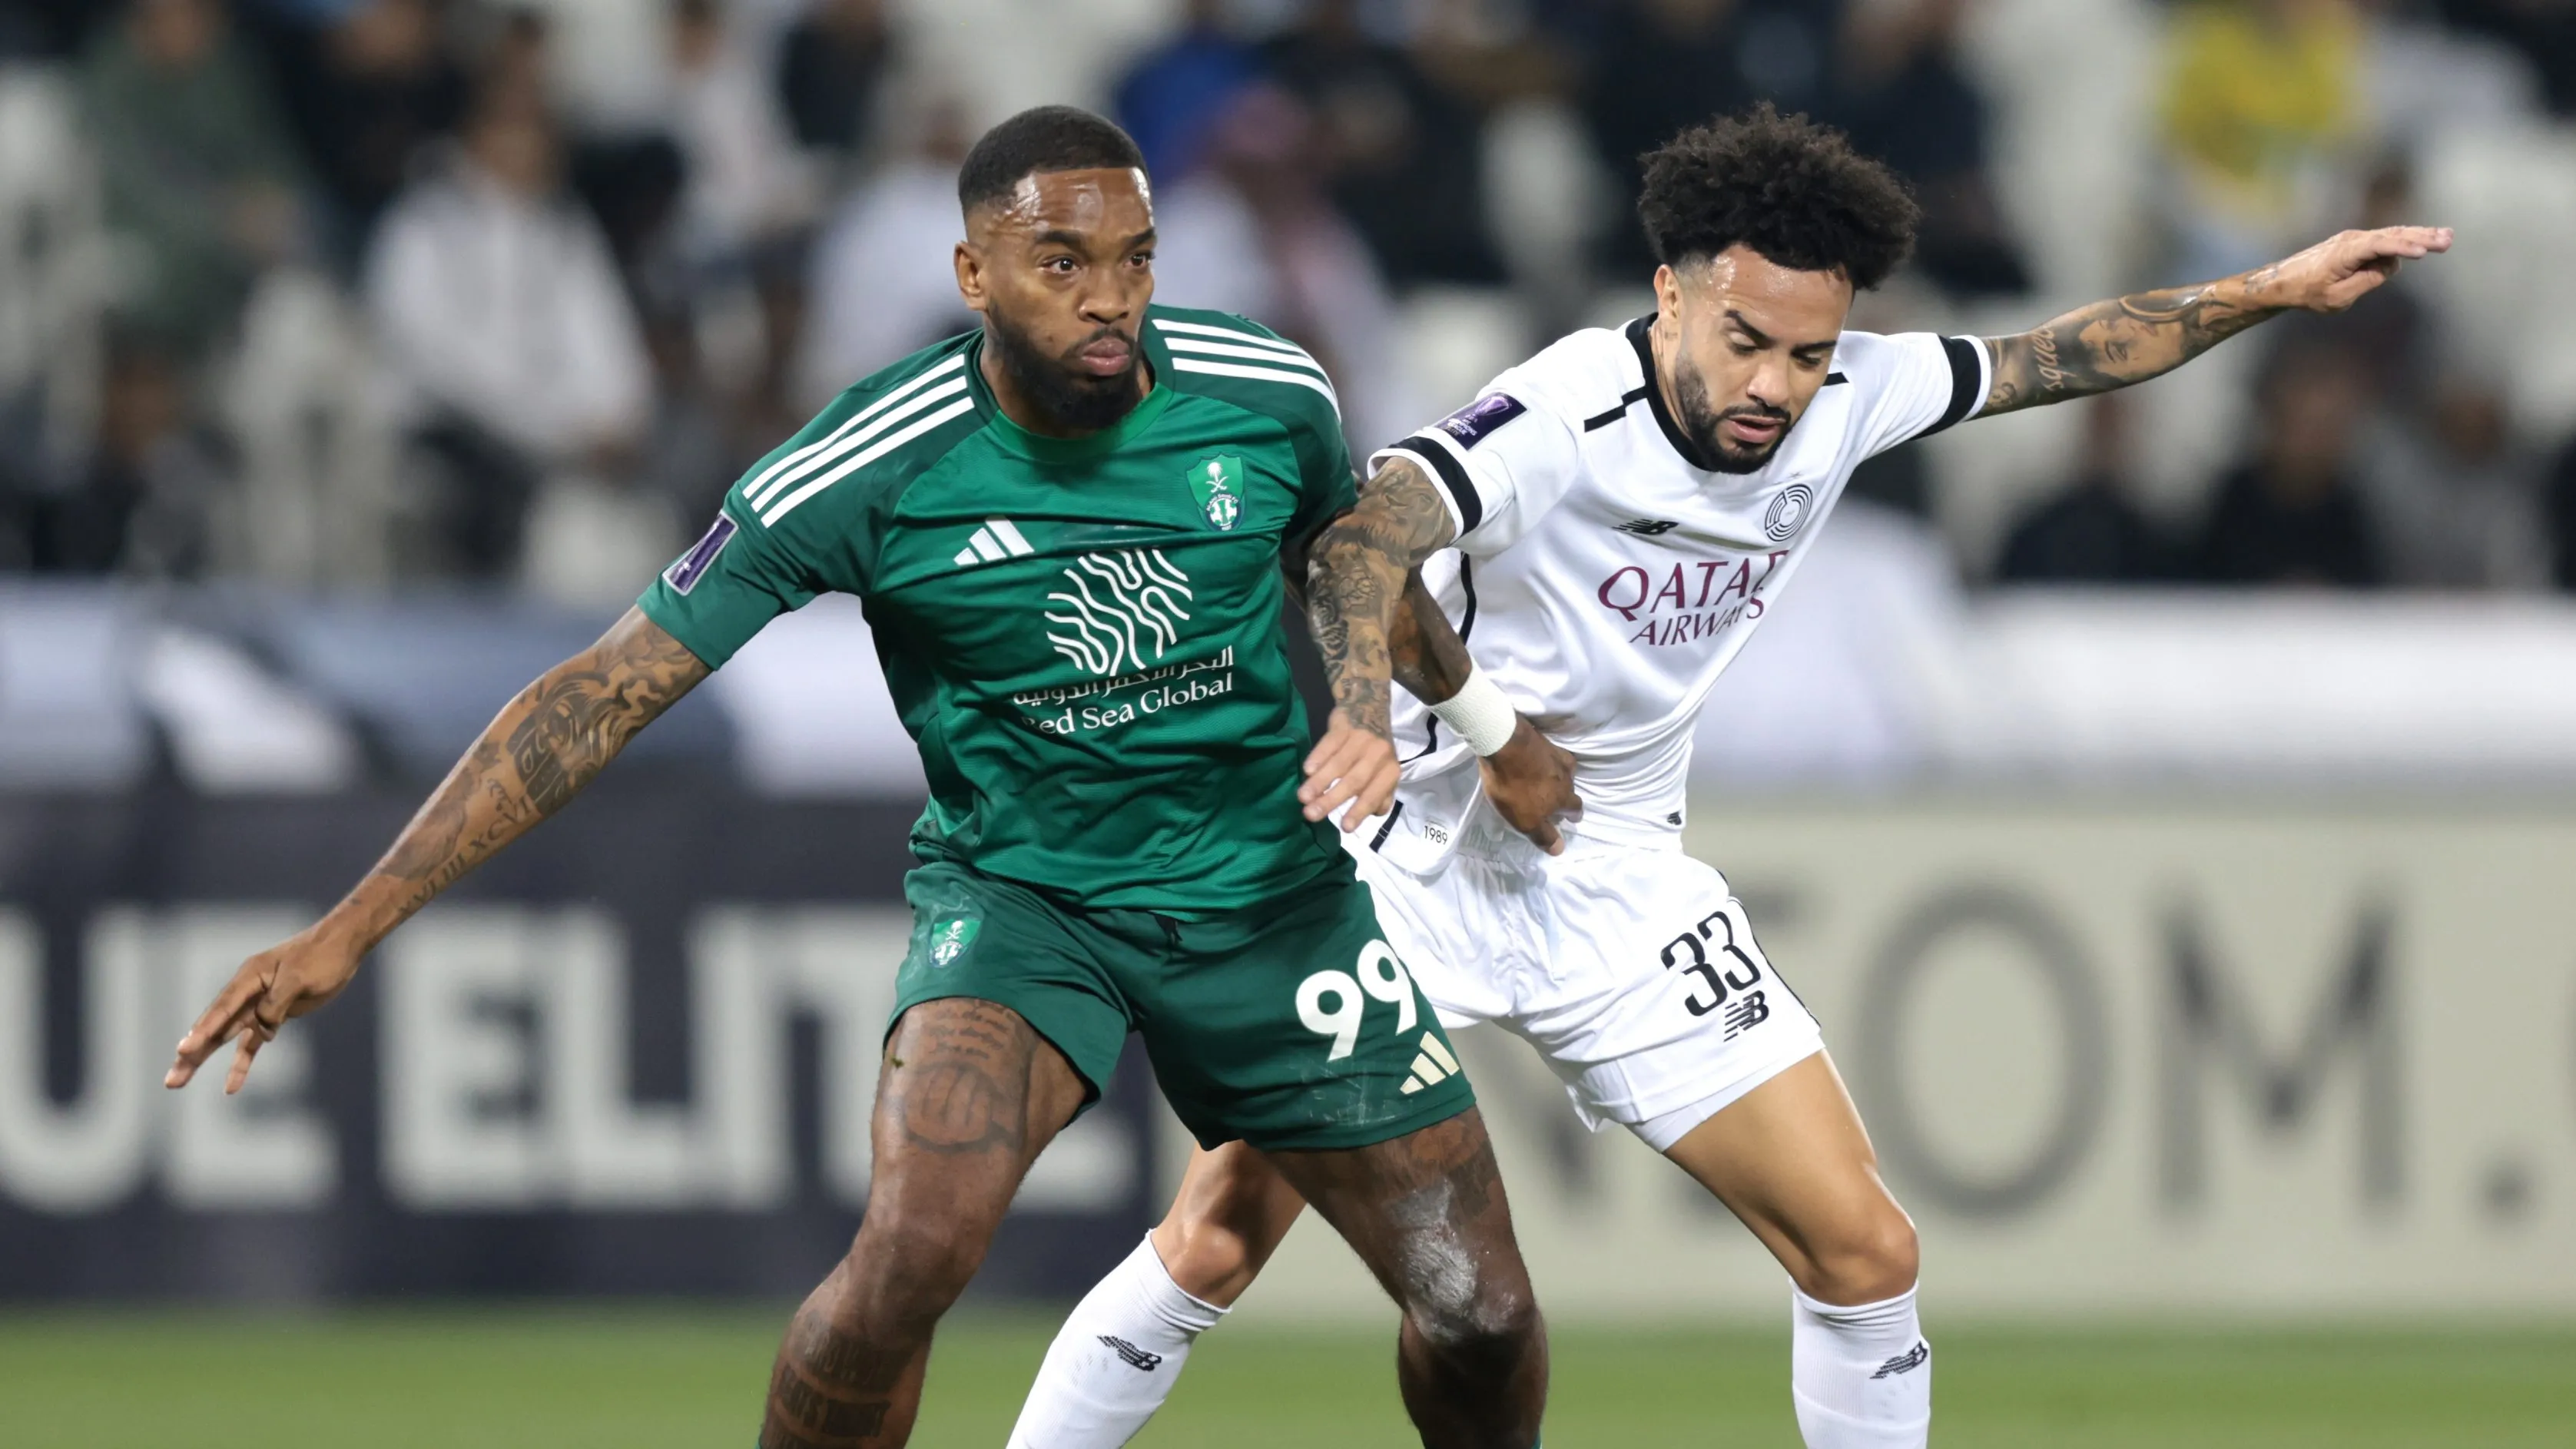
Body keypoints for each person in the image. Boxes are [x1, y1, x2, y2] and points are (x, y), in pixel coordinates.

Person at [1008, 104, 2449, 1449]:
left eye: (1810, 354)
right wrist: (1423, 717)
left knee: (1869, 1253)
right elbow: (1360, 538)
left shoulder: (1851, 395)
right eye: (1749, 339)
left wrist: (2276, 286)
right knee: (1215, 1232)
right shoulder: (1566, 407)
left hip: (1616, 867)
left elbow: (2060, 354)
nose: (1776, 386)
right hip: (1415, 855)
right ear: (1675, 291)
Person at [165, 106, 1548, 1449]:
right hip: (1027, 908)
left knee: (1480, 1315)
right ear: (972, 275)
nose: (1109, 298)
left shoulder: (1268, 390)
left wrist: (1493, 729)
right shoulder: (871, 463)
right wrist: (350, 924)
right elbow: (599, 695)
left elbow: (1351, 575)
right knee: (911, 1253)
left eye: (1135, 258)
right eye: (1061, 263)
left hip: (1269, 899)